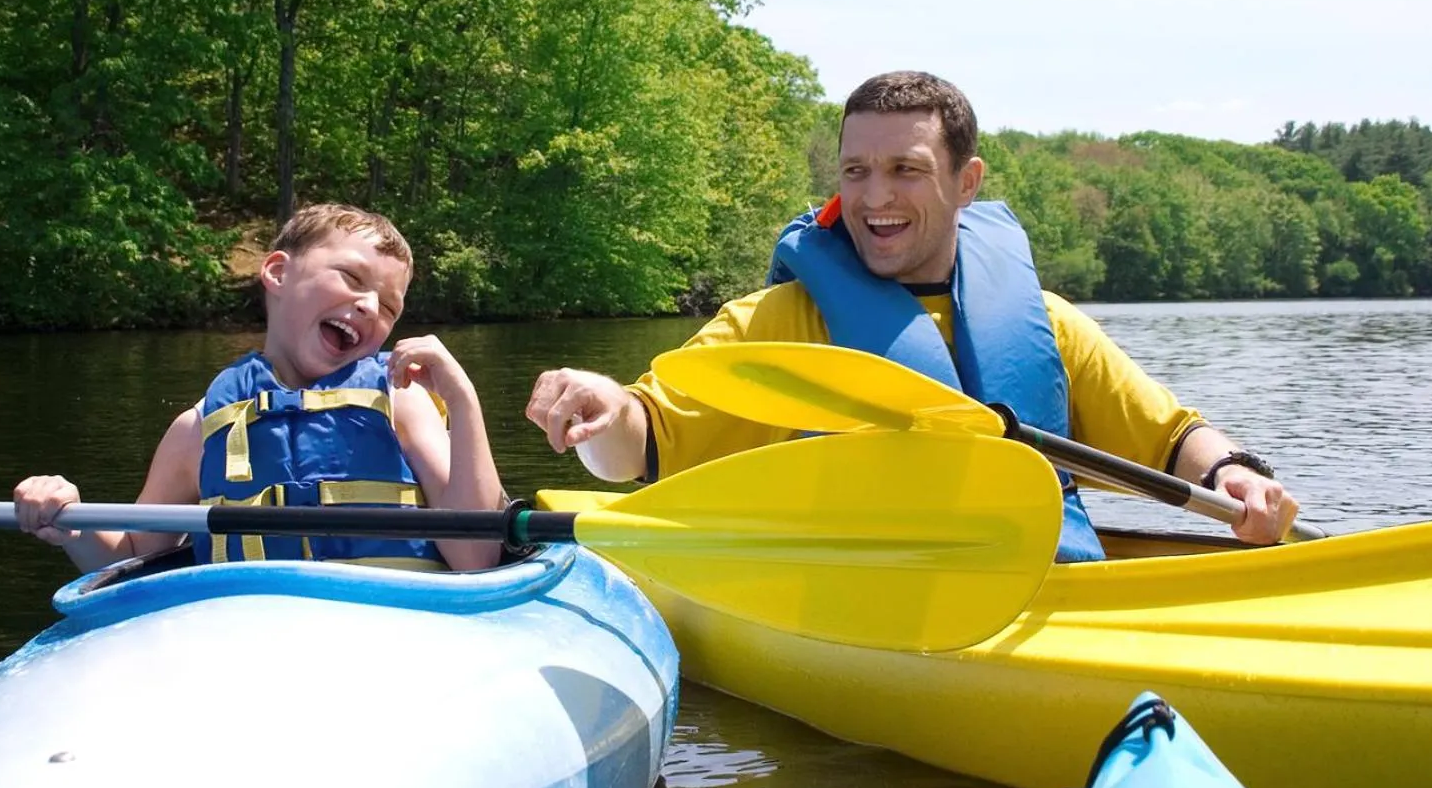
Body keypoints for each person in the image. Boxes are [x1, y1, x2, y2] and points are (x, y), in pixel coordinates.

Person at [527, 70, 1296, 558]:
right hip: (864, 609)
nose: (874, 197)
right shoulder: (782, 318)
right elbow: (635, 452)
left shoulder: (1050, 323)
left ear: (967, 183)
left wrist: (1234, 475)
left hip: (1045, 594)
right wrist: (607, 408)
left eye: (906, 170)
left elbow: (1173, 437)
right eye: (856, 171)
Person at [15, 202, 506, 573]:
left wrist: (462, 401)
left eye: (389, 308)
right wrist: (72, 525)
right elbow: (130, 559)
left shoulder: (402, 402)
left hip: (388, 623)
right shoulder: (199, 427)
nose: (368, 307)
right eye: (352, 277)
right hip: (249, 632)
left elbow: (476, 555)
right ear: (277, 272)